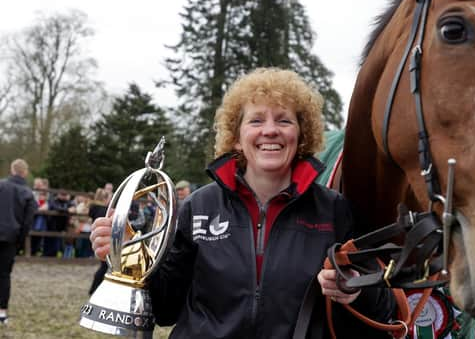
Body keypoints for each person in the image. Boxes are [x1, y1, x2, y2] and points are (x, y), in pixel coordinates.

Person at [91, 68, 395, 338]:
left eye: (284, 120)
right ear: (237, 137)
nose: (270, 130)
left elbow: (382, 309)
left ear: (301, 136)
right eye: (256, 120)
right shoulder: (199, 206)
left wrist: (355, 291)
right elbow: (165, 308)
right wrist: (129, 255)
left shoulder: (335, 211)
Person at [0, 159, 37, 325]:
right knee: (4, 274)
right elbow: (28, 221)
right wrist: (20, 242)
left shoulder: (1, 185)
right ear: (25, 172)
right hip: (11, 238)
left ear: (12, 170)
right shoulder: (28, 193)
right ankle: (1, 312)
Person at [88, 188, 110, 295]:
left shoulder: (94, 209)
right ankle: (94, 289)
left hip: (97, 237)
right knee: (104, 266)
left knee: (104, 265)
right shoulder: (104, 210)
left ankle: (95, 289)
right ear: (105, 198)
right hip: (104, 237)